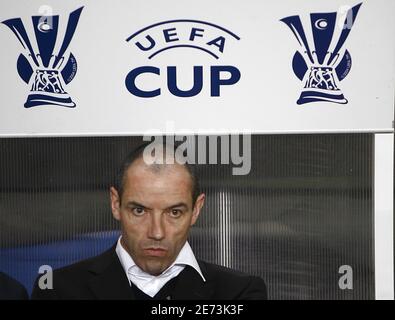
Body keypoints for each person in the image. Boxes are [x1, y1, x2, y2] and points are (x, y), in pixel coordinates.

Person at [31, 141, 267, 300]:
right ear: (115, 204)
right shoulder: (58, 290)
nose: (156, 232)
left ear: (196, 210)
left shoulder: (238, 293)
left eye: (174, 212)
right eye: (139, 211)